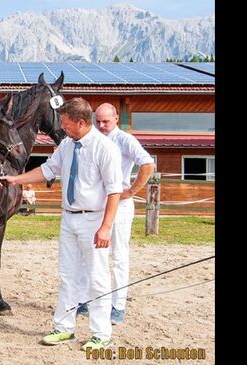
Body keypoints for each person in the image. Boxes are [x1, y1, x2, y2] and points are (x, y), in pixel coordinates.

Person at [0, 97, 122, 351]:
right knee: (68, 275)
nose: (61, 127)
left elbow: (114, 191)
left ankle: (101, 334)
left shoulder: (105, 148)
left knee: (96, 277)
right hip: (69, 218)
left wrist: (106, 227)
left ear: (81, 122)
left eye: (65, 123)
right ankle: (64, 327)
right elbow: (47, 170)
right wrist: (16, 179)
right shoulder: (67, 145)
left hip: (93, 219)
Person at [76, 103, 155, 325]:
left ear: (116, 119)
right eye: (98, 121)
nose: (101, 125)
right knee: (89, 253)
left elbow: (147, 164)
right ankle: (85, 300)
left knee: (118, 256)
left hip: (119, 206)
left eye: (106, 121)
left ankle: (117, 306)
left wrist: (130, 191)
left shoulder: (125, 140)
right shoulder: (91, 139)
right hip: (96, 206)